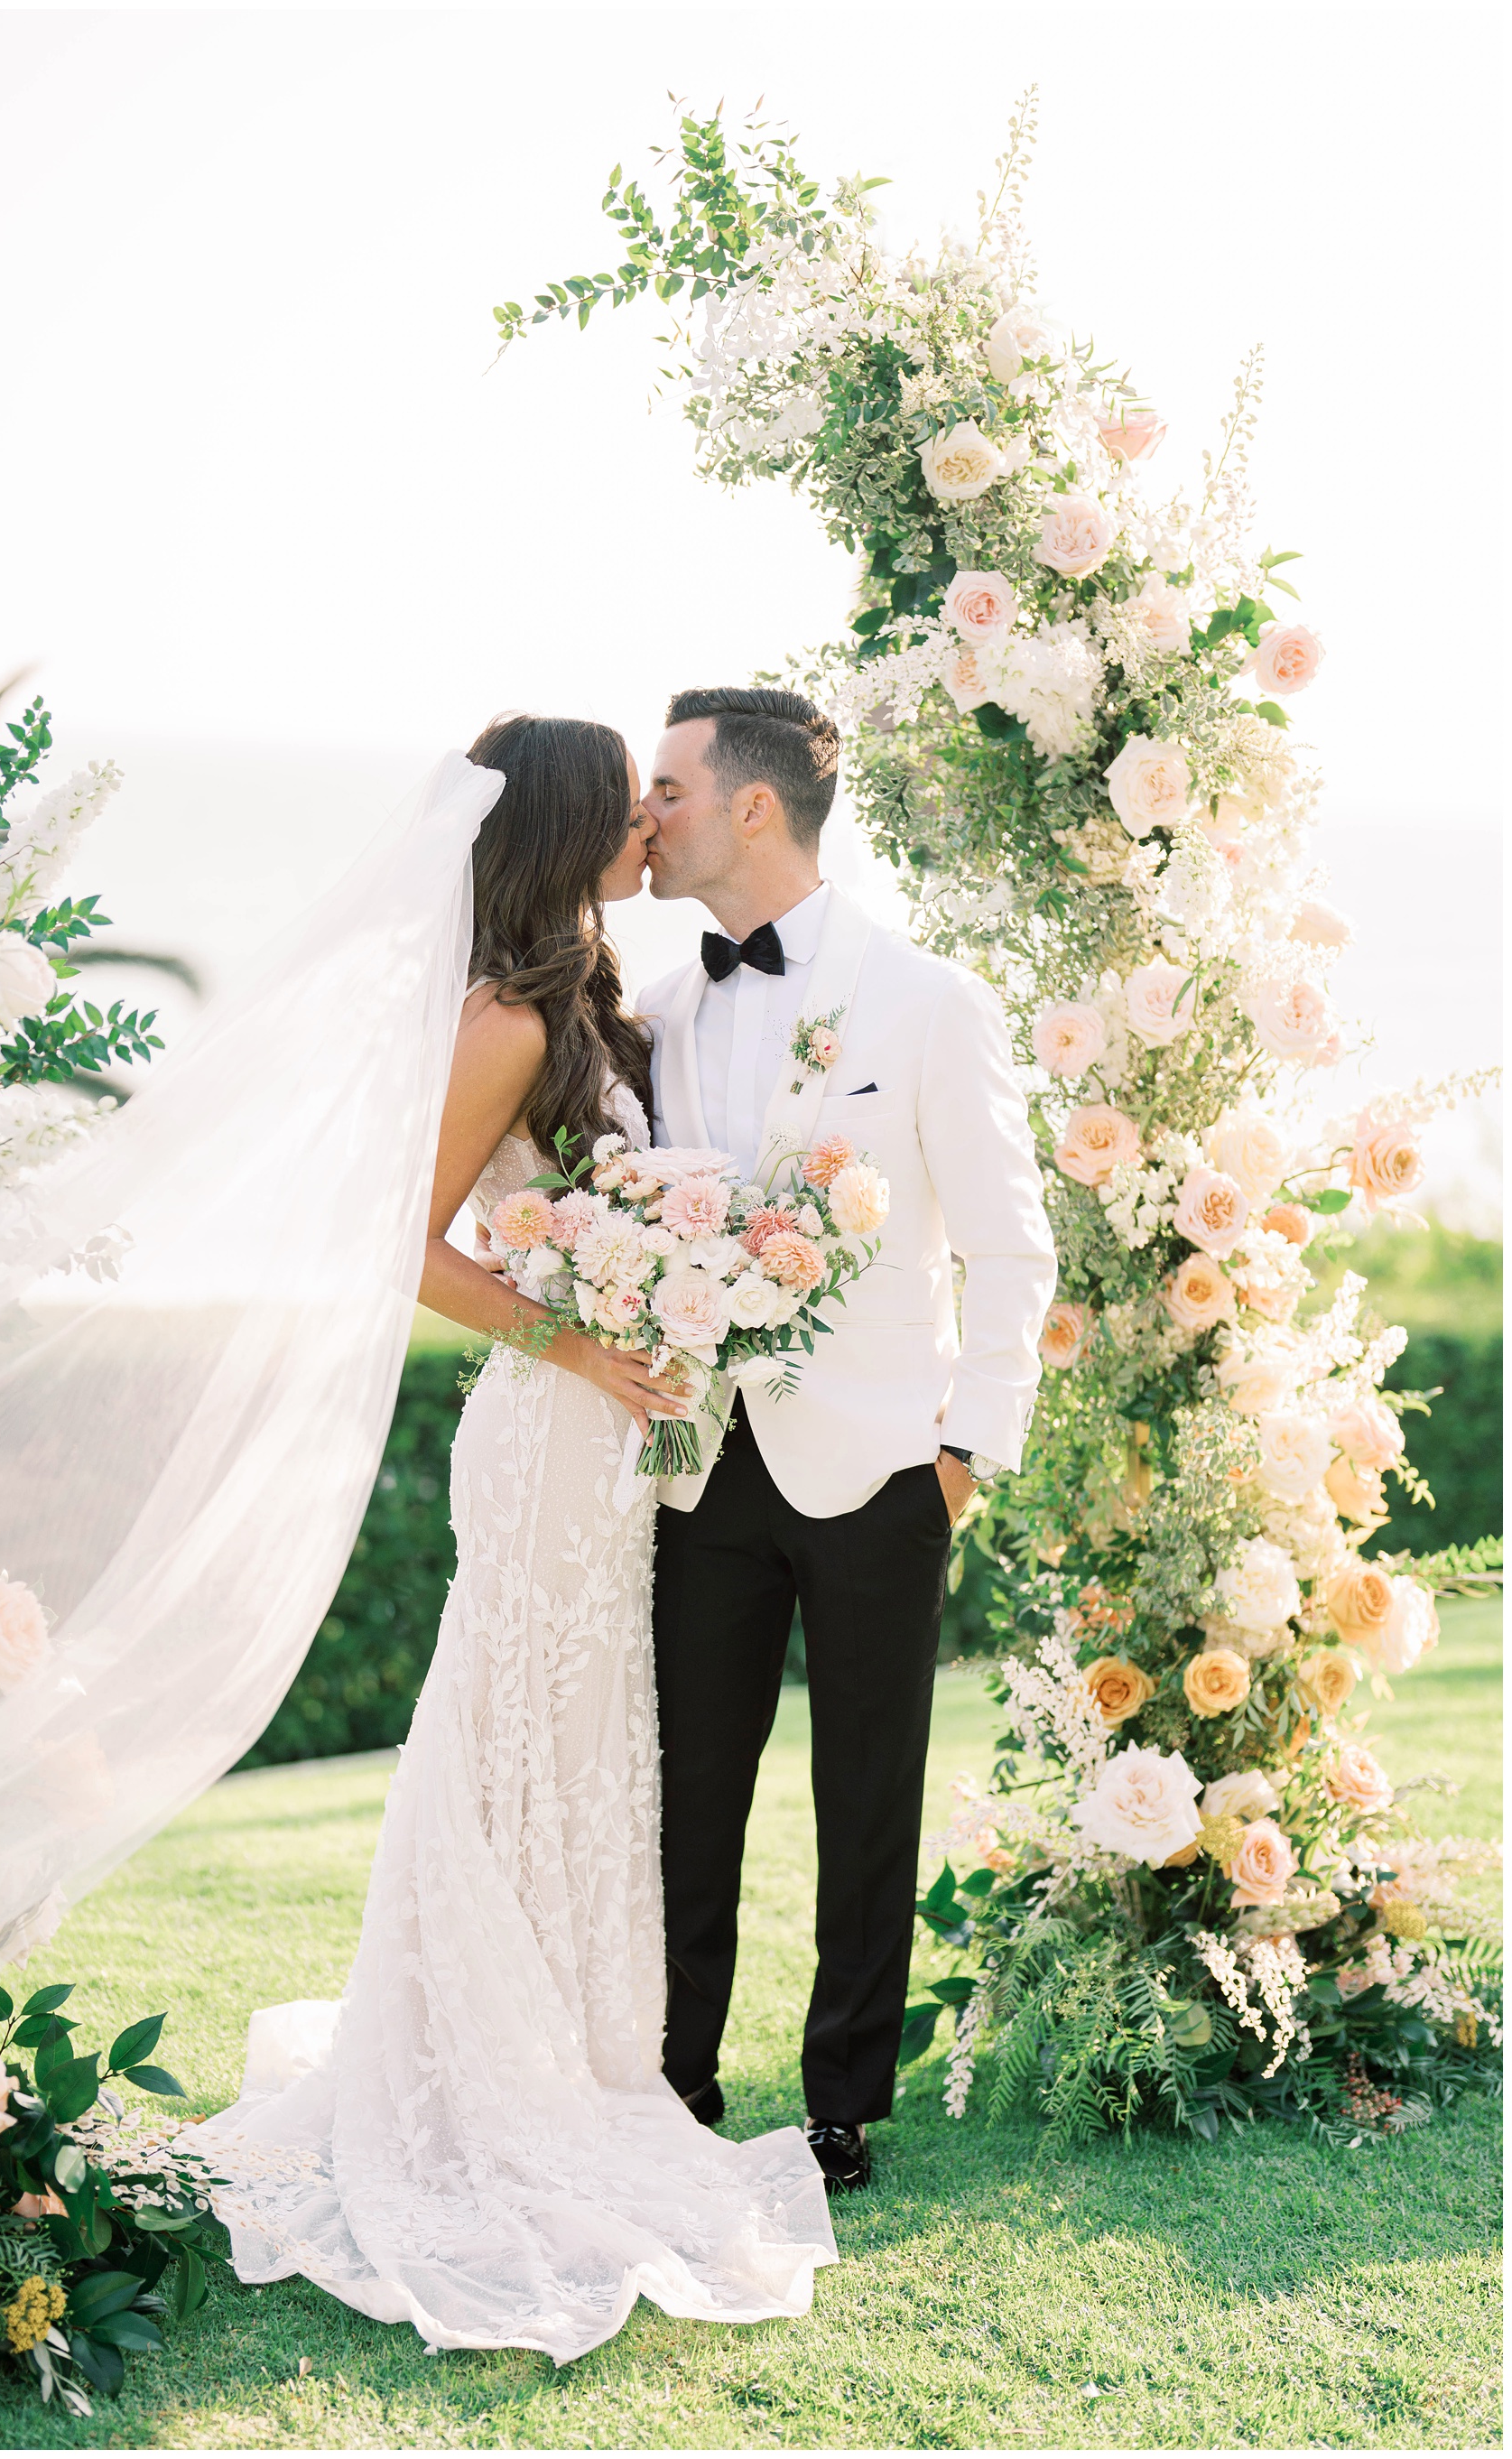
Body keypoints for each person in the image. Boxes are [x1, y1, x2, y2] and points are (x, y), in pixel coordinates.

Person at [191, 714, 835, 2363]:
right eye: (627, 801)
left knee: (580, 1737)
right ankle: (479, 2076)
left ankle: (579, 2055)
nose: (648, 821)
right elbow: (405, 1242)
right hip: (552, 1430)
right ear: (563, 829)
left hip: (611, 1442)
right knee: (518, 1730)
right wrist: (579, 1343)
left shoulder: (585, 1005)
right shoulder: (499, 1020)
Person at [636, 685, 1056, 2196]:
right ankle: (670, 2079)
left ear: (755, 805)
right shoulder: (662, 1007)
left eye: (670, 788)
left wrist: (964, 1453)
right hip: (700, 1462)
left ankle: (839, 2103)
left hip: (884, 1461)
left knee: (866, 1792)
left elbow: (1013, 1249)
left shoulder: (929, 1002)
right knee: (688, 1787)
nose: (648, 815)